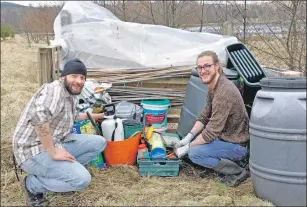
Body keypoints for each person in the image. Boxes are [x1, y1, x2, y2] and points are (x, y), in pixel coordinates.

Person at [12, 58, 106, 206]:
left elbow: (73, 115)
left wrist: (99, 116)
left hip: (56, 142)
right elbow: (38, 118)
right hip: (32, 151)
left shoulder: (71, 95)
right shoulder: (55, 90)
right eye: (74, 76)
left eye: (82, 77)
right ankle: (32, 185)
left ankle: (62, 176)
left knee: (99, 142)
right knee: (82, 180)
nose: (79, 81)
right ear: (63, 77)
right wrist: (53, 152)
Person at [174, 51, 250, 187]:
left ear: (217, 66)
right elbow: (204, 116)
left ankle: (237, 170)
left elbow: (210, 132)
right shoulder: (214, 86)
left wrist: (187, 147)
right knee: (196, 138)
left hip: (237, 145)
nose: (203, 71)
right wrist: (188, 137)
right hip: (222, 138)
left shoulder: (224, 92)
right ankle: (220, 159)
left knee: (195, 153)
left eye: (207, 66)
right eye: (200, 67)